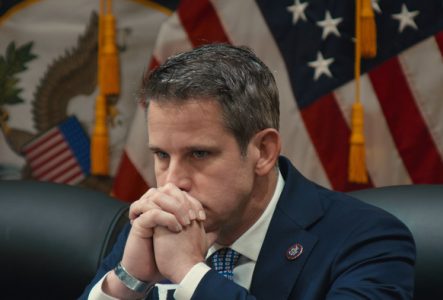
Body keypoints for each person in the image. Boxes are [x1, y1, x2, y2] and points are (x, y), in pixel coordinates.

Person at [80, 44, 415, 300]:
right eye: (161, 155)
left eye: (199, 153)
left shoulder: (368, 241)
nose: (172, 181)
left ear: (263, 152)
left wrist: (190, 274)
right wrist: (127, 282)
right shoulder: (154, 226)